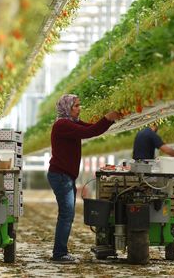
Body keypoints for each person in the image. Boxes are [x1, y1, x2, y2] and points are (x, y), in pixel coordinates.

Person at [48, 94, 121, 262]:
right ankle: (59, 254)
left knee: (67, 214)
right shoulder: (62, 125)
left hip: (65, 176)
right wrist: (107, 118)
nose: (80, 108)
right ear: (67, 108)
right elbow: (90, 131)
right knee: (66, 215)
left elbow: (92, 127)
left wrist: (110, 120)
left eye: (80, 105)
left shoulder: (70, 123)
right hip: (60, 176)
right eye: (76, 106)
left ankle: (60, 252)